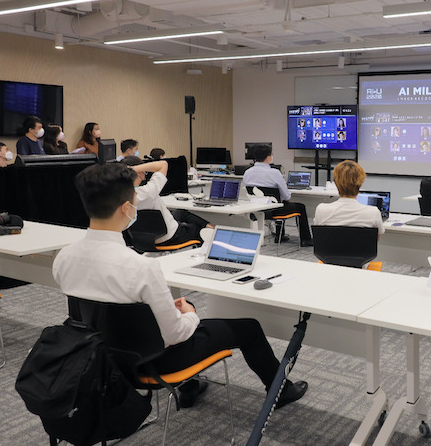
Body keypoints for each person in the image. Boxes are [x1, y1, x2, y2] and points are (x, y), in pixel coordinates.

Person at [53, 163, 307, 409]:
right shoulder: (141, 267)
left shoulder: (64, 258)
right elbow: (175, 335)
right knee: (247, 328)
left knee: (180, 306)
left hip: (103, 355)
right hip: (157, 361)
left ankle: (190, 387)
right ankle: (281, 392)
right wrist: (191, 315)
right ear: (126, 208)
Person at [121, 157, 209, 245]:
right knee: (198, 229)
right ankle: (210, 228)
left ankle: (208, 225)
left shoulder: (118, 195)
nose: (144, 177)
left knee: (180, 213)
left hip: (139, 238)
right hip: (167, 237)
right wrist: (132, 169)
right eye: (144, 172)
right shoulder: (147, 192)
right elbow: (163, 164)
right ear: (139, 172)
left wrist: (123, 170)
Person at [243, 144, 313, 247]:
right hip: (275, 211)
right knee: (299, 206)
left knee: (279, 202)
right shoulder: (275, 173)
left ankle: (280, 236)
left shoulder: (247, 173)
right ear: (268, 157)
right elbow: (287, 197)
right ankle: (305, 239)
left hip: (256, 210)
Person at [314, 161, 385, 238]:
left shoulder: (321, 210)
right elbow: (375, 240)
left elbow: (319, 237)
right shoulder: (373, 212)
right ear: (360, 183)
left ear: (336, 183)